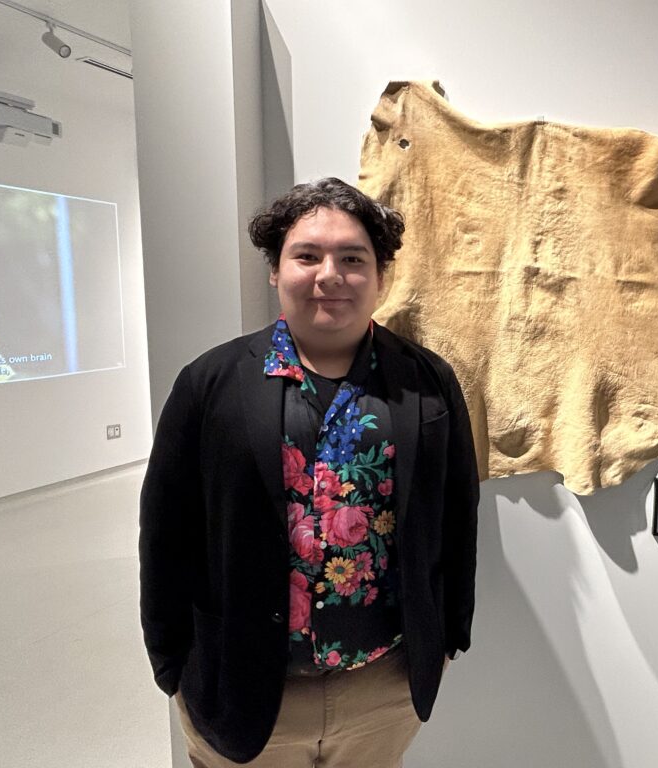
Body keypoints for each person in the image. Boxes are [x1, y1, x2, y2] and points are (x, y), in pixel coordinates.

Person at [139, 178, 480, 767]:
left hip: (381, 685)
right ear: (275, 270)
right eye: (307, 256)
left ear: (380, 274)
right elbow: (167, 530)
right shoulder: (210, 383)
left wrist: (447, 638)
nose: (330, 274)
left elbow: (456, 516)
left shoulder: (427, 382)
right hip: (242, 686)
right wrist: (171, 663)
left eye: (352, 258)